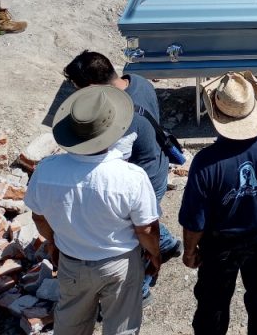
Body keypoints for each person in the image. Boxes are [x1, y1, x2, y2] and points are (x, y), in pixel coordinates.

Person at [25, 85, 161, 335]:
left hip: (72, 262)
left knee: (71, 325)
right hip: (120, 265)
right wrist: (155, 254)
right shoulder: (130, 176)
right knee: (121, 327)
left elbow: (39, 217)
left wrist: (54, 243)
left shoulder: (46, 170)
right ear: (113, 130)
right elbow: (146, 228)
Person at [179, 72, 257, 335]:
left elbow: (194, 222)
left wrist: (189, 253)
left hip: (219, 245)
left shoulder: (205, 163)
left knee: (213, 304)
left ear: (217, 116)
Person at [62, 51, 183, 303]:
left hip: (142, 178)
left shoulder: (117, 117)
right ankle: (168, 243)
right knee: (150, 217)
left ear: (93, 86)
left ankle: (141, 287)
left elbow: (109, 162)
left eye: (78, 89)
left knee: (135, 230)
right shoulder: (139, 81)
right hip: (158, 162)